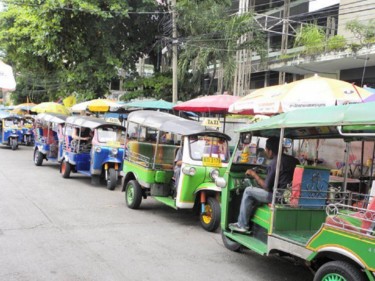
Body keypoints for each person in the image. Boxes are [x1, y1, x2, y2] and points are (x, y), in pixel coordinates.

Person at [229, 137, 300, 233]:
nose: (266, 152)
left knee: (248, 191)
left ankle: (242, 225)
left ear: (269, 151)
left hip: (278, 197)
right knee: (256, 190)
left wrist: (254, 175)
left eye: (266, 150)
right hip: (291, 195)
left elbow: (266, 187)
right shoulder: (294, 160)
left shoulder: (275, 162)